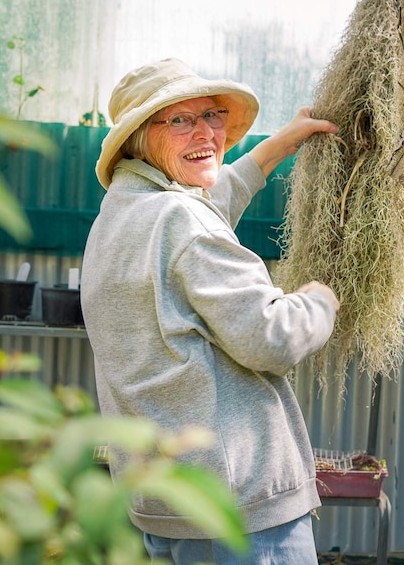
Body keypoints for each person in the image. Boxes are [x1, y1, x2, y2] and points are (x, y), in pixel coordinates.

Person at [81, 58, 340, 565]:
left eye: (213, 115)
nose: (206, 132)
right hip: (238, 510)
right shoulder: (182, 222)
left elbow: (204, 208)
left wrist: (273, 150)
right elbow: (272, 336)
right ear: (137, 138)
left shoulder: (122, 213)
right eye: (179, 120)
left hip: (167, 502)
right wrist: (322, 300)